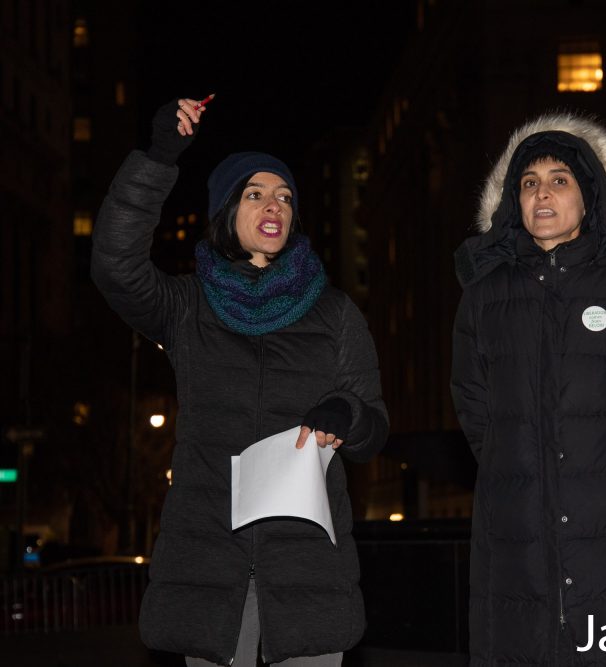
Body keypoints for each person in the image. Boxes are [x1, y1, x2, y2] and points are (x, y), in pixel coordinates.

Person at [91, 97, 388, 666]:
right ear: (227, 211)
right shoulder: (187, 306)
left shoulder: (335, 313)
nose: (274, 204)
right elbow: (114, 265)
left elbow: (374, 426)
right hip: (209, 572)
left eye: (285, 196)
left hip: (306, 575)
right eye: (255, 194)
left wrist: (346, 414)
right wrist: (158, 158)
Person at [451, 113, 606, 665]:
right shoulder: (484, 295)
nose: (542, 194)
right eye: (529, 183)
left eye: (559, 180)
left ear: (589, 195)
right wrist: (520, 467)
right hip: (516, 528)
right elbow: (473, 405)